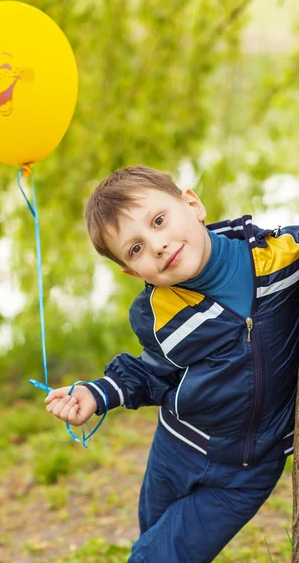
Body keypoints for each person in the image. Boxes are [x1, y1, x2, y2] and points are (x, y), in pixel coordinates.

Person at [44, 165, 299, 562]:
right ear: (132, 272)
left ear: (192, 204)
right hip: (176, 449)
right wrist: (97, 393)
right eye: (136, 248)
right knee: (154, 538)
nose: (157, 245)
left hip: (247, 470)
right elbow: (152, 373)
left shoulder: (283, 261)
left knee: (160, 556)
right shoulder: (158, 314)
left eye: (159, 221)